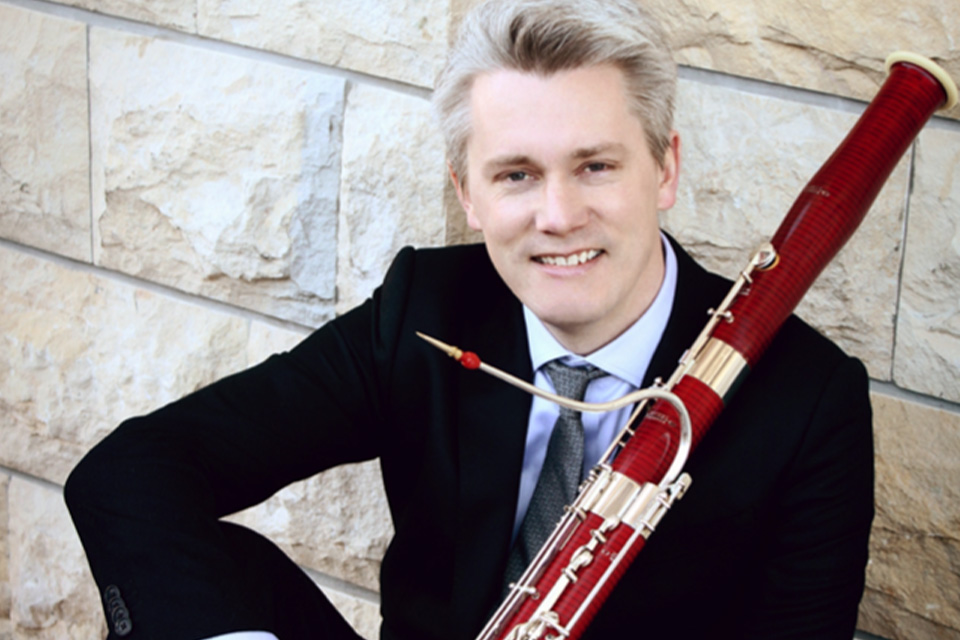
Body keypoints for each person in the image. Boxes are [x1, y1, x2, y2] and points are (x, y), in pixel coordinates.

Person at [65, 0, 875, 638]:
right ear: (468, 192)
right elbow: (131, 473)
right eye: (516, 174)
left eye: (595, 165)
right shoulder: (427, 309)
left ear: (665, 167)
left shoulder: (805, 401)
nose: (557, 216)